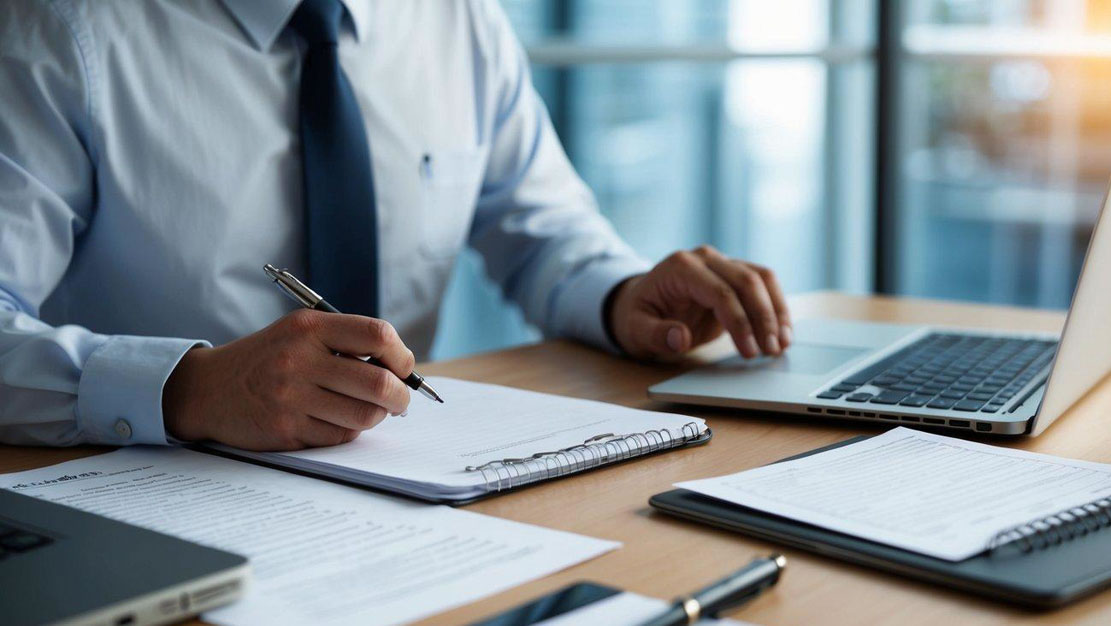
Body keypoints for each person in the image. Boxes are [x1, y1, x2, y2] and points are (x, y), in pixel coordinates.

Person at [0, 0, 792, 451]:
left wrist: (623, 295)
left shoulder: (460, 21)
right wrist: (187, 388)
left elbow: (541, 226)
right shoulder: (60, 34)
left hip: (402, 482)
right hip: (144, 492)